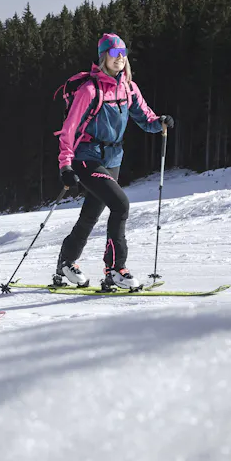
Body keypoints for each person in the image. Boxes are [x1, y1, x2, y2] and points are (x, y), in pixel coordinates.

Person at [53, 33, 174, 290]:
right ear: (103, 57)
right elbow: (68, 130)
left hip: (113, 158)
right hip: (87, 157)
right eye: (113, 53)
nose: (119, 58)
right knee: (120, 205)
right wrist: (65, 165)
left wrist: (159, 122)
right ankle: (115, 269)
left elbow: (145, 117)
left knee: (91, 215)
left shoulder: (128, 87)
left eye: (123, 53)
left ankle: (65, 264)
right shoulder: (89, 90)